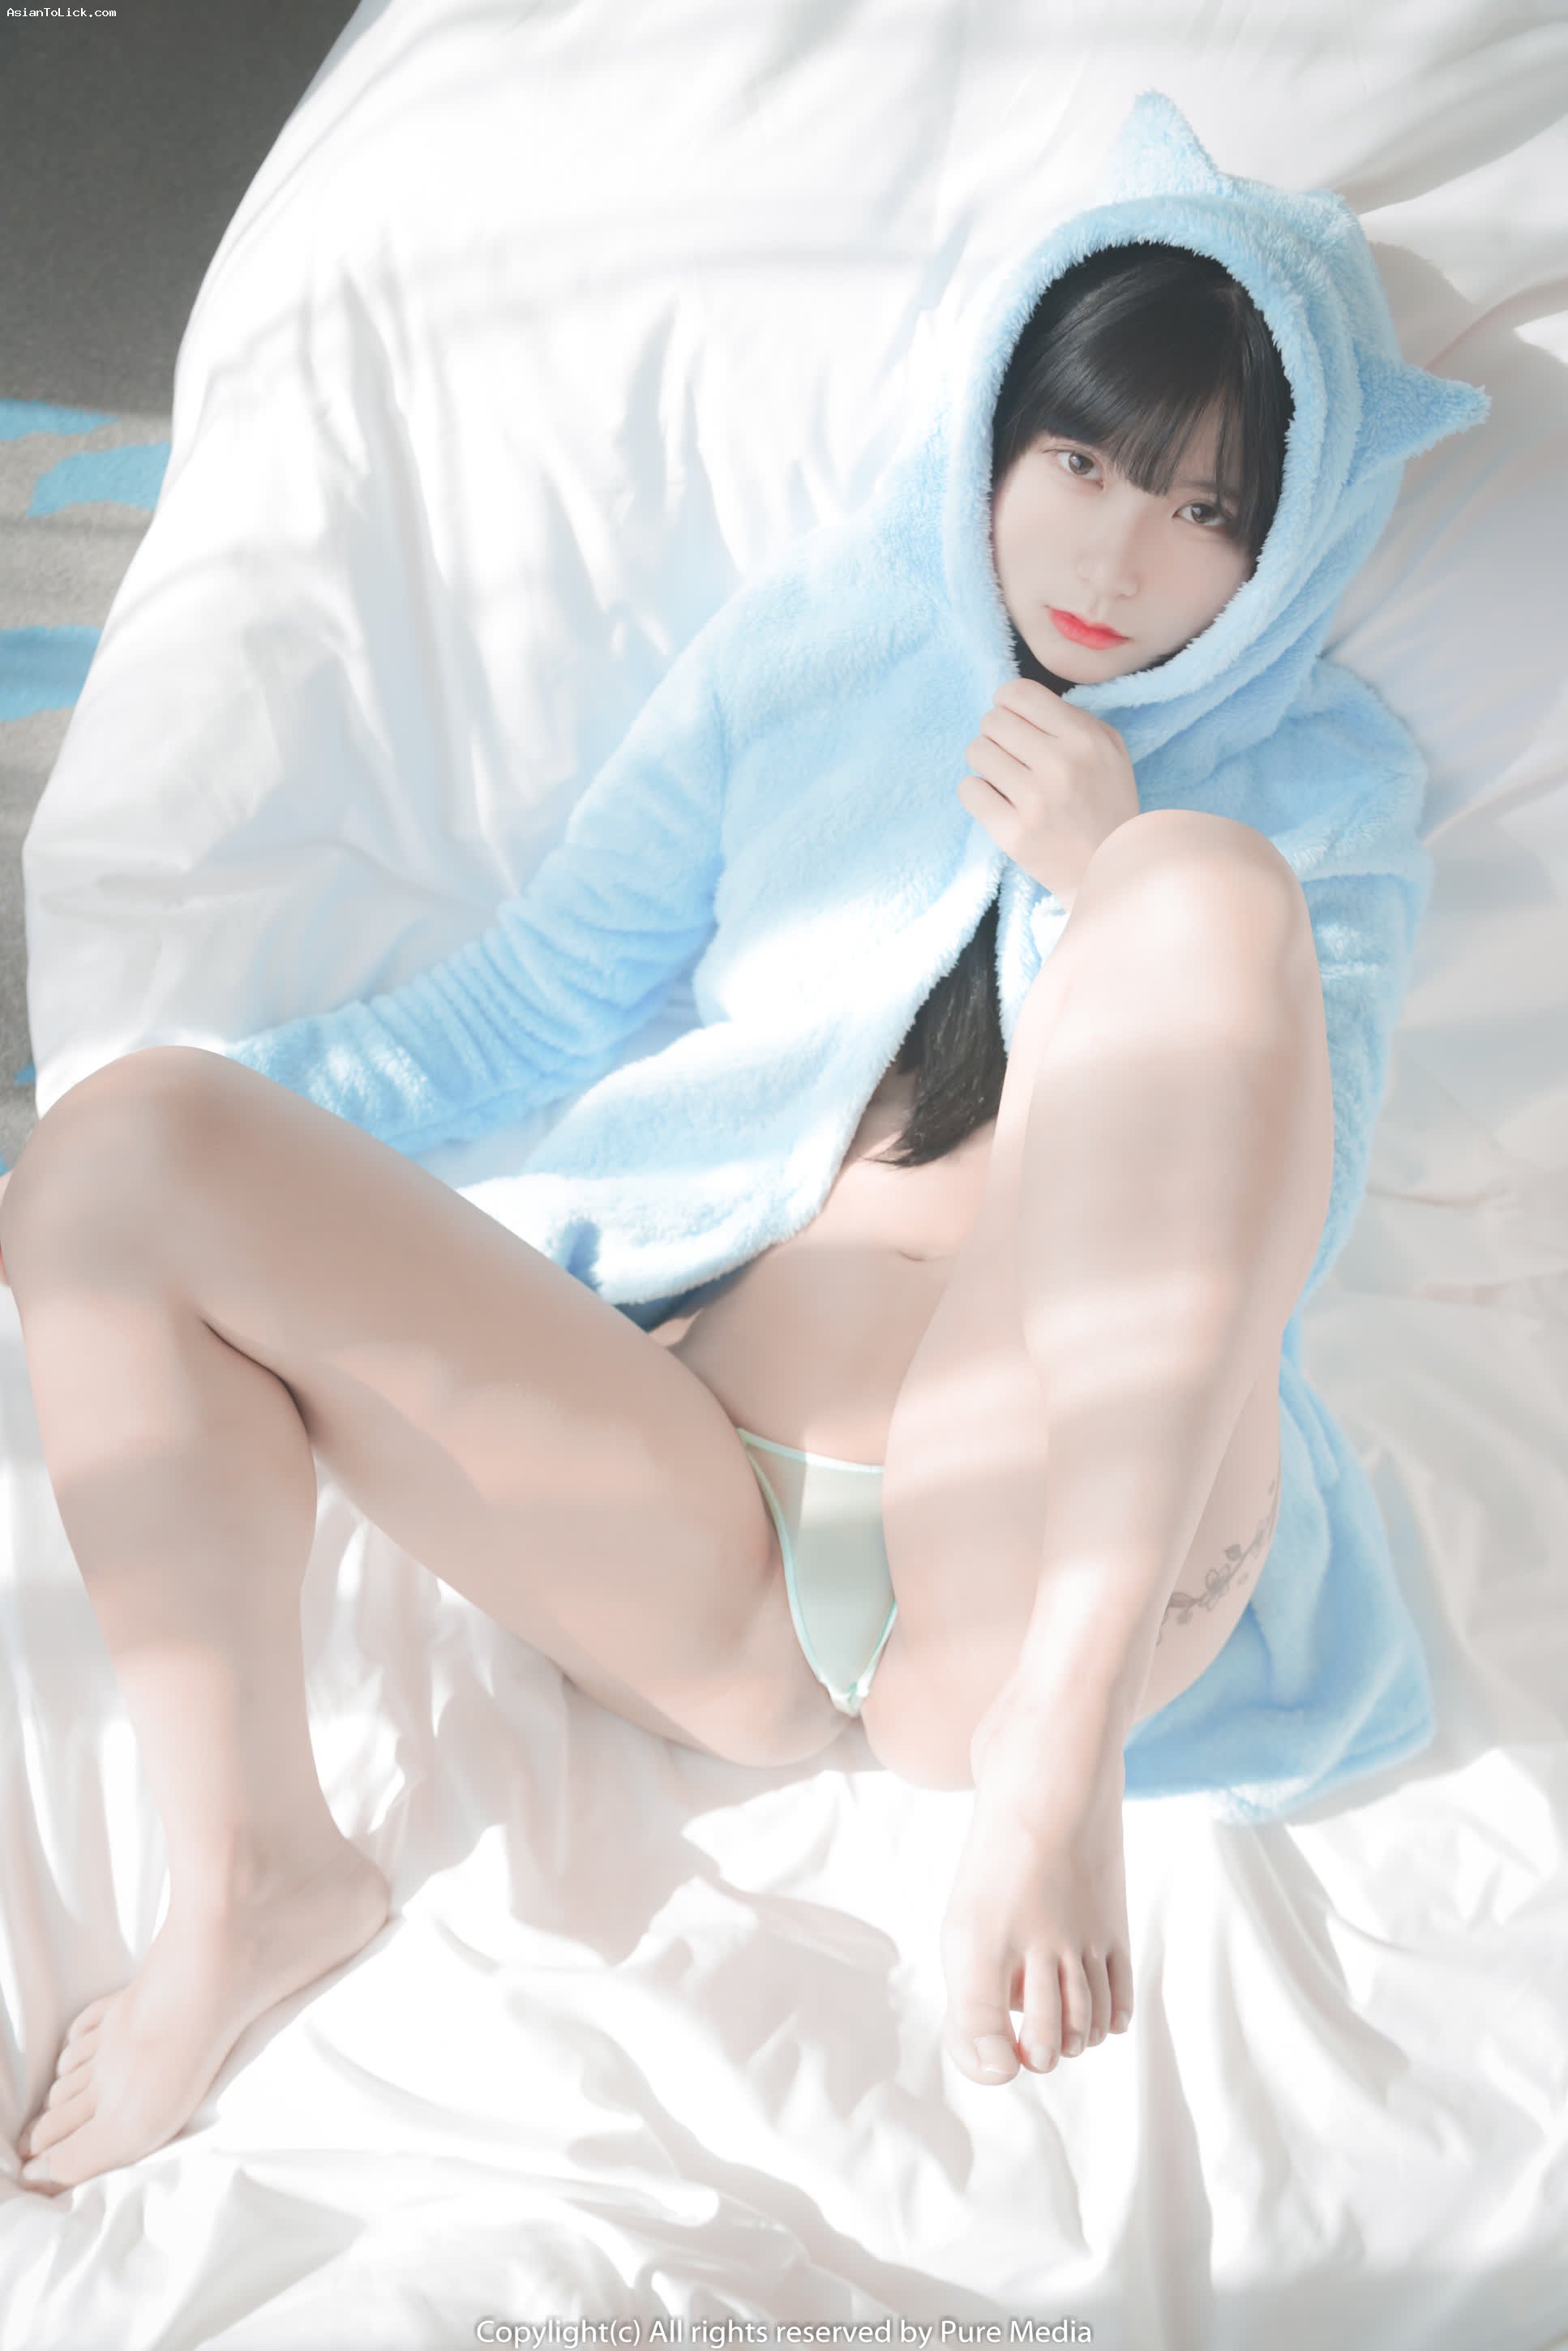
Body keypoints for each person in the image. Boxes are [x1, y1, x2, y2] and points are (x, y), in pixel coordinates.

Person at [2, 97, 1485, 2193]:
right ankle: (254, 1872)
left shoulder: (1321, 797)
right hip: (695, 1508)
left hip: (1062, 1544)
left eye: (1202, 508)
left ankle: (1050, 1765)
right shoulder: (814, 658)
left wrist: (1110, 868)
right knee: (118, 1151)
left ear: (1288, 541)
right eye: (1080, 462)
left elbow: (1277, 1231)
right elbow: (527, 1003)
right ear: (998, 431)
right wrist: (133, 1165)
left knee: (1207, 890)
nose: (1115, 556)